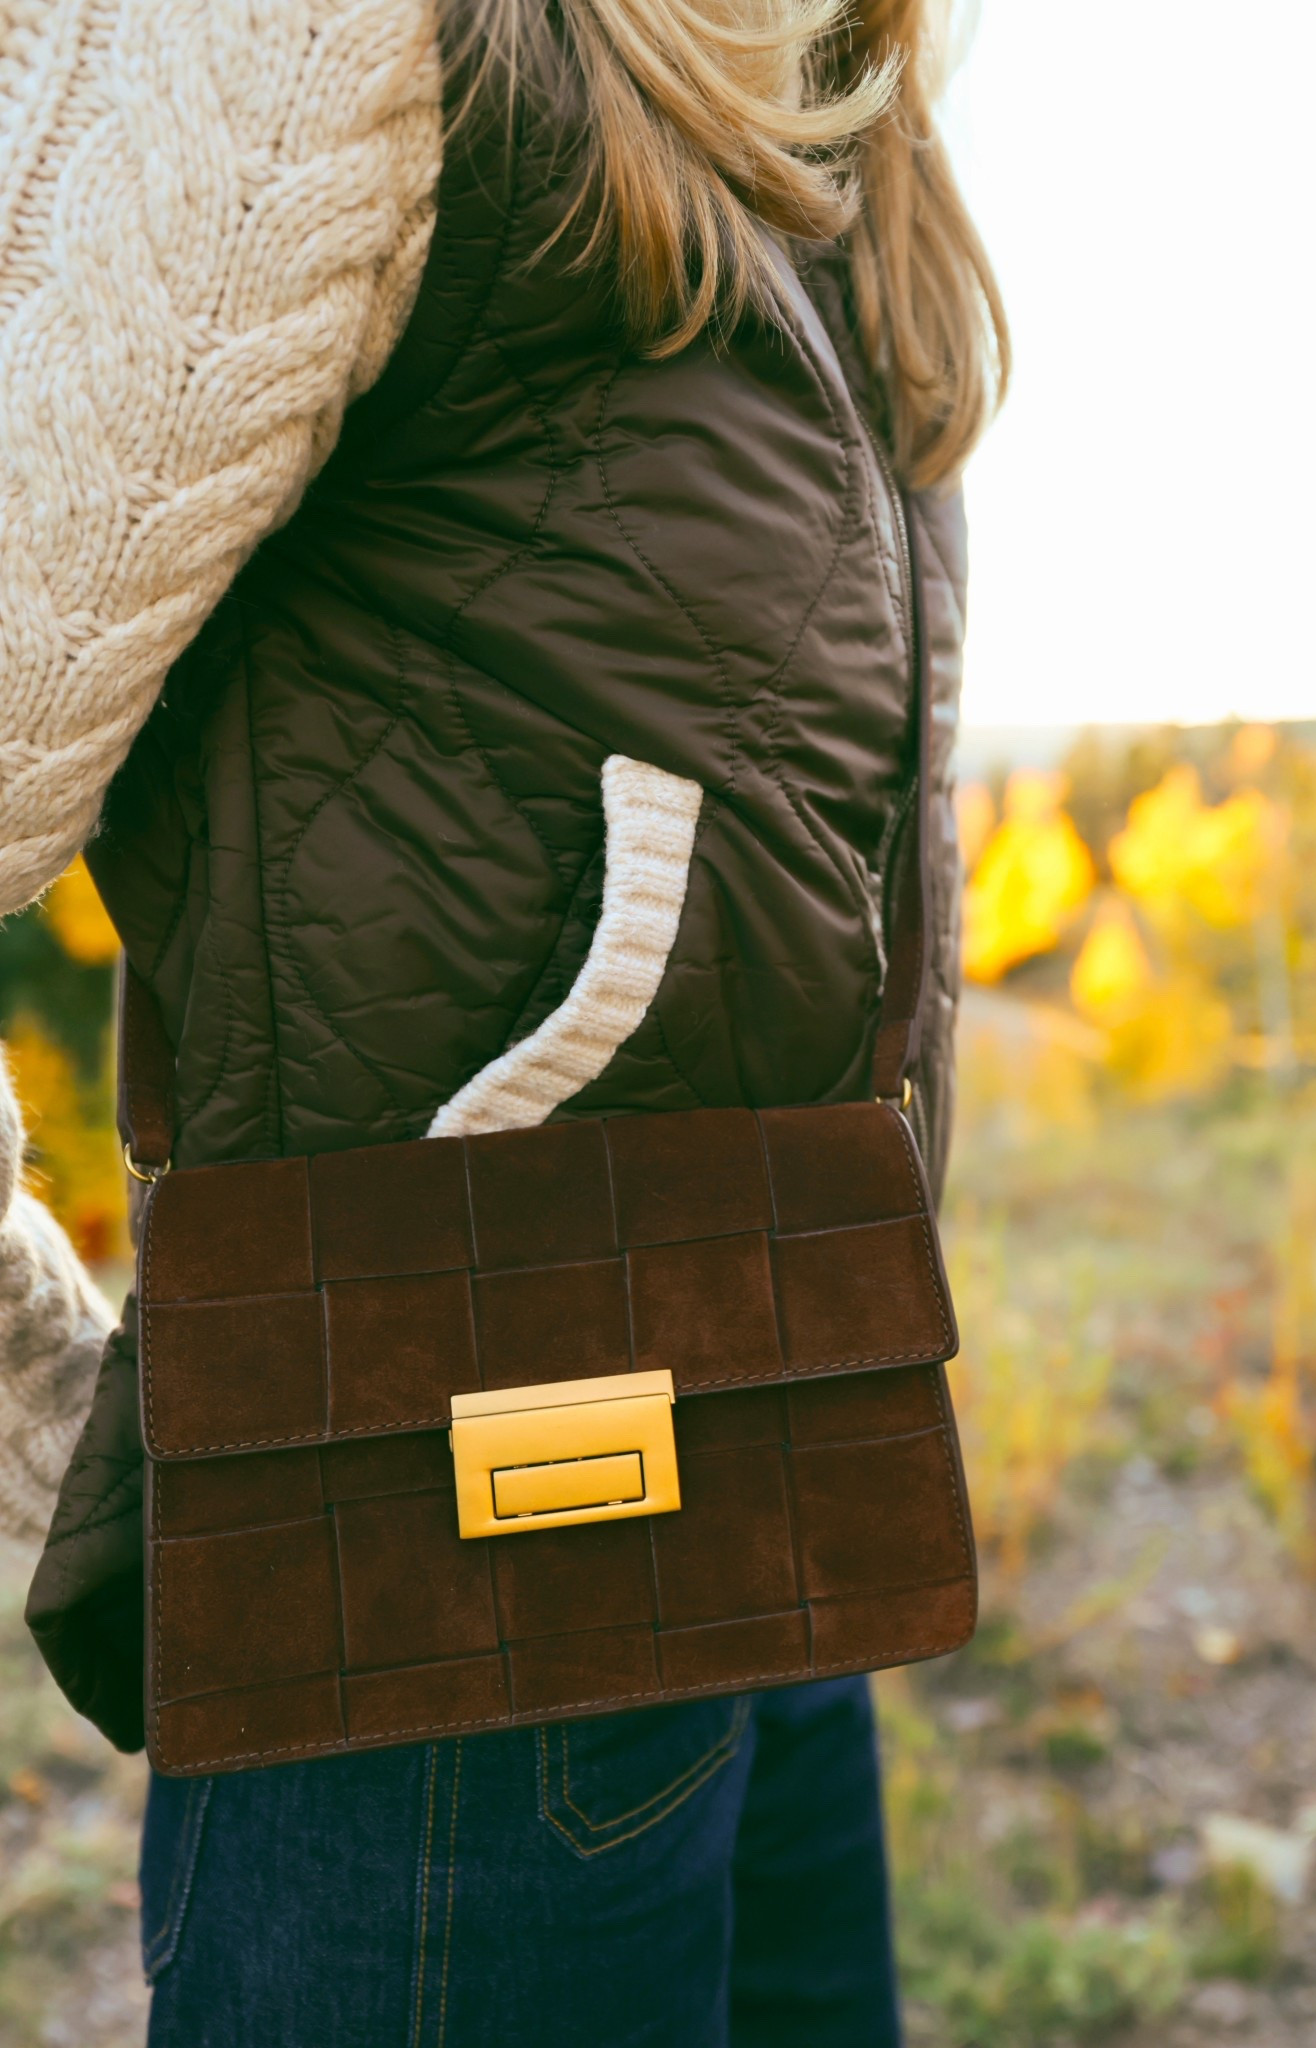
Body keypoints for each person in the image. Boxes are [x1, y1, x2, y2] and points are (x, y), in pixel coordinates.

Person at [0, 1, 1006, 2040]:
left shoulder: (825, 97)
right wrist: (49, 1390)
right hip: (436, 1605)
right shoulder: (321, 34)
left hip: (772, 1479)